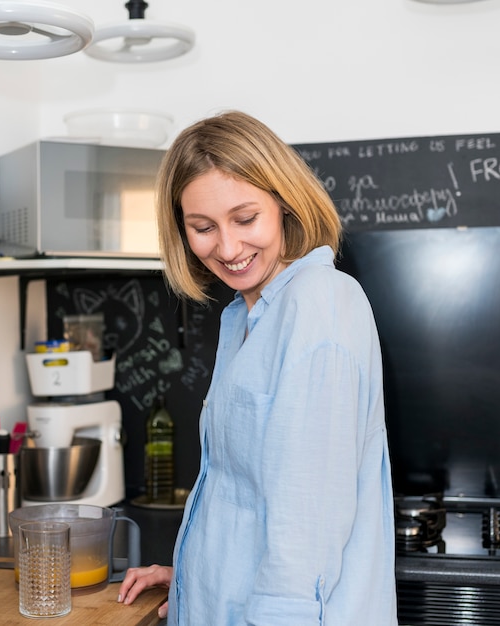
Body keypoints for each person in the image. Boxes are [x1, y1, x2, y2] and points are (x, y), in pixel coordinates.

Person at [118, 110, 398, 625]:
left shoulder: (318, 305)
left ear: (284, 203)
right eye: (202, 228)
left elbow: (305, 531)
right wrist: (193, 573)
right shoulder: (246, 315)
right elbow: (248, 500)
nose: (226, 248)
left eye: (245, 219)